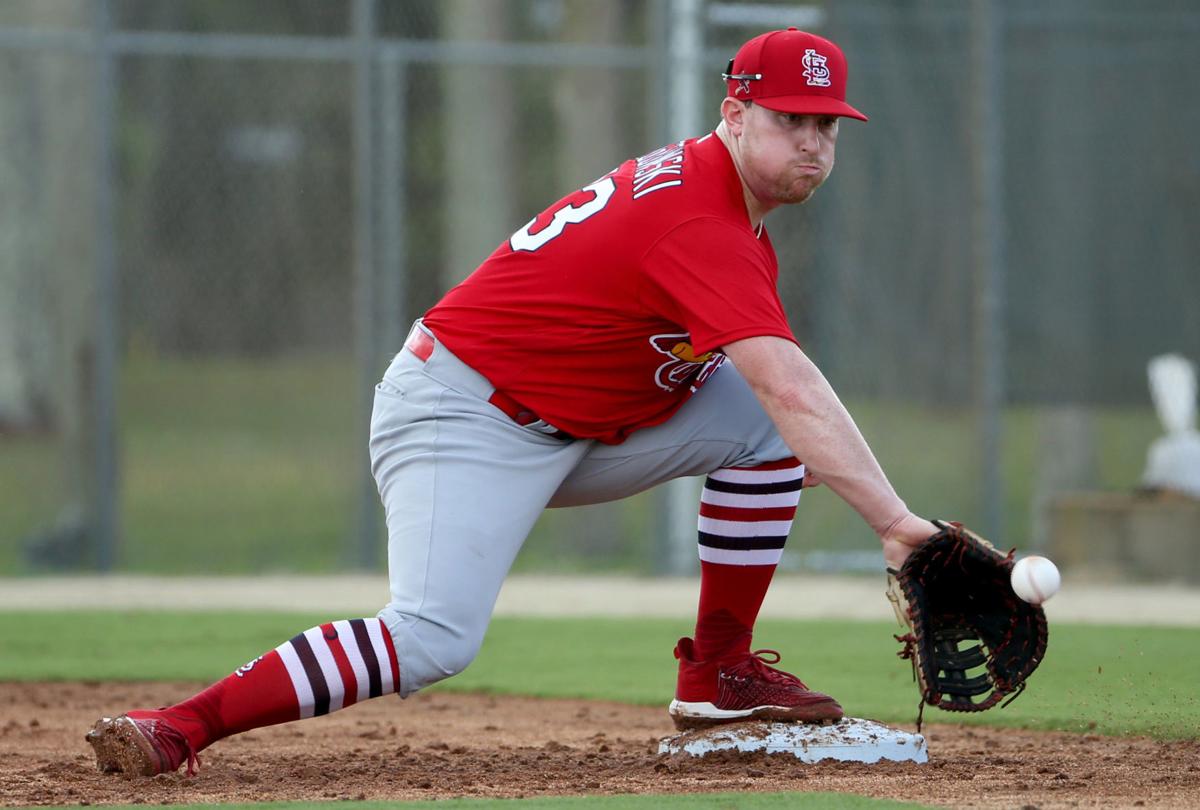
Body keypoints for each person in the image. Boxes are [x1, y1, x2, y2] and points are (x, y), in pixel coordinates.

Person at [87, 28, 939, 776]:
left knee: (774, 429)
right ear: (734, 112)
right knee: (431, 639)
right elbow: (786, 382)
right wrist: (899, 527)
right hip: (462, 413)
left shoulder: (723, 202)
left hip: (577, 420)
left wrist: (833, 463)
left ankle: (720, 673)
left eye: (826, 124)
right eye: (791, 119)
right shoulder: (698, 219)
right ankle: (180, 726)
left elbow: (786, 401)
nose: (814, 143)